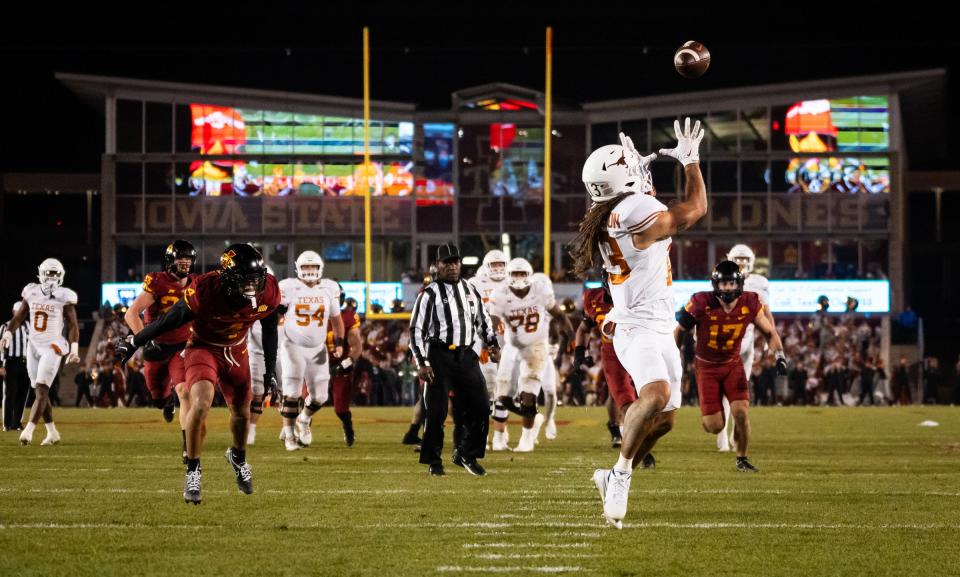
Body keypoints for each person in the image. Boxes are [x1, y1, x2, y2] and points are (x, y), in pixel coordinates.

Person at [571, 118, 707, 528]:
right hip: (637, 327)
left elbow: (647, 214)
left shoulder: (610, 209)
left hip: (654, 323)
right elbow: (696, 208)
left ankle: (615, 471)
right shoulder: (634, 210)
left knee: (665, 419)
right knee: (654, 394)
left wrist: (638, 176)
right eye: (631, 164)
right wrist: (690, 162)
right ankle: (621, 474)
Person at [117, 244, 281, 504]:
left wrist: (270, 370)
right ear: (228, 279)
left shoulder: (269, 290)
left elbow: (270, 330)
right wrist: (137, 341)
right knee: (201, 403)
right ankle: (193, 469)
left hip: (237, 352)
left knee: (242, 414)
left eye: (255, 281)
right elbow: (169, 319)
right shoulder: (205, 289)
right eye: (245, 282)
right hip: (203, 348)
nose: (252, 288)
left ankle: (237, 457)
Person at [675, 261, 788, 472]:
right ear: (715, 285)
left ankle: (742, 458)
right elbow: (680, 330)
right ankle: (711, 417)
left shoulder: (751, 302)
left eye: (731, 283)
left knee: (741, 412)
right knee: (715, 425)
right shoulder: (701, 302)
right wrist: (674, 355)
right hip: (706, 368)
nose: (727, 288)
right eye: (723, 284)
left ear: (740, 284)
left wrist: (780, 356)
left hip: (732, 364)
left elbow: (769, 332)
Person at [408, 243, 499, 476]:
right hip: (438, 355)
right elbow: (416, 329)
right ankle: (434, 461)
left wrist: (492, 342)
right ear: (437, 265)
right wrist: (422, 362)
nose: (452, 266)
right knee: (436, 412)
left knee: (481, 405)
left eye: (455, 262)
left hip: (466, 354)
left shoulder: (470, 289)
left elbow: (483, 319)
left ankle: (466, 453)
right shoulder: (429, 294)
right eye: (446, 262)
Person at [123, 240, 199, 459]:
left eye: (188, 258)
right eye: (180, 258)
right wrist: (146, 340)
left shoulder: (196, 283)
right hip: (156, 346)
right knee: (157, 397)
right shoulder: (158, 282)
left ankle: (188, 446)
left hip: (182, 346)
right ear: (170, 261)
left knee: (185, 392)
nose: (185, 262)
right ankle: (166, 402)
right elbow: (131, 314)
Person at [488, 258, 572, 452]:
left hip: (537, 346)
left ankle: (527, 439)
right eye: (515, 274)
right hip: (512, 346)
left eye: (522, 274)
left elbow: (559, 317)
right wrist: (493, 340)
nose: (518, 278)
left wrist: (566, 342)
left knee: (531, 394)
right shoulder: (500, 294)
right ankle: (534, 418)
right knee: (502, 398)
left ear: (530, 276)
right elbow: (493, 319)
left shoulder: (540, 291)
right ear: (509, 276)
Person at [1, 259, 81, 445]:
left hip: (52, 347)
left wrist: (74, 349)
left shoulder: (64, 296)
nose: (51, 278)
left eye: (55, 274)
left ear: (61, 276)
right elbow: (19, 316)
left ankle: (28, 431)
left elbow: (73, 325)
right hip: (33, 345)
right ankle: (52, 432)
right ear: (41, 274)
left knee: (42, 390)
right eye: (49, 273)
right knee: (38, 391)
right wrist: (7, 335)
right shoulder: (31, 291)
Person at [276, 251, 345, 451]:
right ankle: (288, 435)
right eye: (305, 267)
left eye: (312, 267)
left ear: (319, 268)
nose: (309, 271)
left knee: (320, 397)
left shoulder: (329, 288)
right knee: (291, 391)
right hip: (292, 345)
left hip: (318, 347)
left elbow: (336, 319)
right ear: (298, 268)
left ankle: (304, 419)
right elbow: (275, 315)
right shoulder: (287, 287)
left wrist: (339, 343)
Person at [718, 244, 775, 452]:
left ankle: (734, 432)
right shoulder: (721, 276)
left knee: (739, 392)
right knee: (723, 392)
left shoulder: (759, 283)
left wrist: (771, 340)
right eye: (738, 260)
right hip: (724, 342)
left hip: (747, 342)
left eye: (744, 260)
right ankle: (722, 435)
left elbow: (766, 315)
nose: (741, 264)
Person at [329, 288, 363, 446]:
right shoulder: (313, 316)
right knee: (306, 399)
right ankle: (301, 430)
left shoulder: (347, 317)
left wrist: (343, 364)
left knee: (341, 409)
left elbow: (357, 347)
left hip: (339, 365)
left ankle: (348, 427)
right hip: (317, 364)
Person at [1, 302, 31, 430]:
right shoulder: (5, 326)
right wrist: (1, 365)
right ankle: (7, 424)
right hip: (11, 362)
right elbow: (1, 347)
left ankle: (16, 423)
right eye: (18, 311)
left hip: (27, 363)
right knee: (10, 393)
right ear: (14, 312)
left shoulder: (28, 326)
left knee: (23, 394)